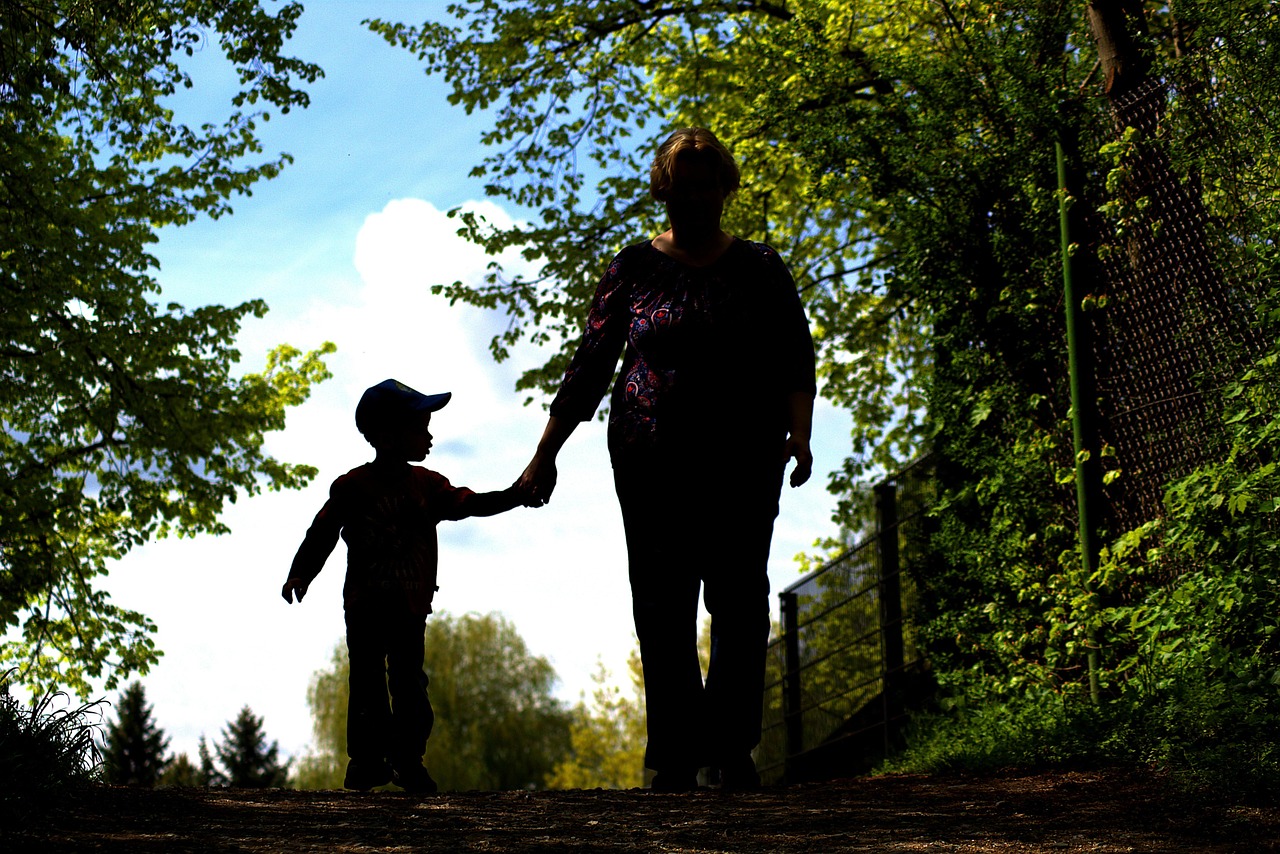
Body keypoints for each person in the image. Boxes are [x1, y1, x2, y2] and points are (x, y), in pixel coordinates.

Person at [518, 128, 817, 792]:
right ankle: (676, 755)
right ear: (666, 189)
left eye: (710, 183)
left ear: (724, 189)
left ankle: (732, 752)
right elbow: (592, 363)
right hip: (650, 460)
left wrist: (800, 434)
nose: (698, 195)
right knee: (663, 600)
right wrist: (546, 454)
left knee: (739, 596)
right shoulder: (633, 268)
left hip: (745, 457)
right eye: (686, 184)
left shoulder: (761, 268)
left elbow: (795, 355)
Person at [282, 378, 534, 793]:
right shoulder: (353, 488)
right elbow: (321, 533)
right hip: (364, 607)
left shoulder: (428, 486)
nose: (430, 436)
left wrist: (515, 495)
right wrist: (300, 572)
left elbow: (470, 504)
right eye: (421, 428)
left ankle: (407, 760)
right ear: (387, 436)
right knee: (366, 683)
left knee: (409, 684)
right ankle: (366, 762)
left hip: (409, 608)